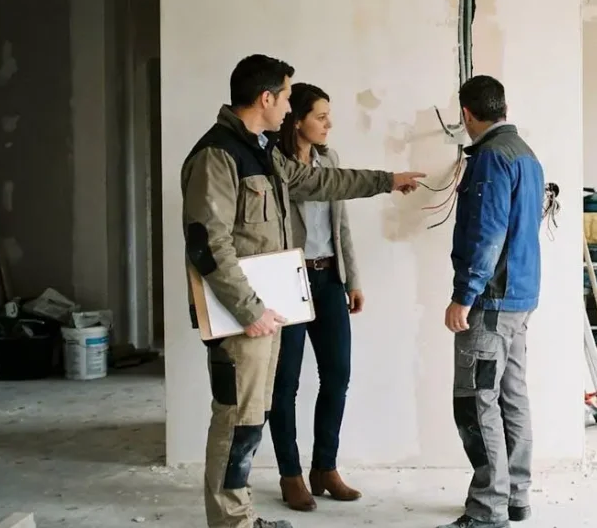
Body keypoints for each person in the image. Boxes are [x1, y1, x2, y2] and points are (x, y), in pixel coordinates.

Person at [181, 54, 425, 528]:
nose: (290, 106)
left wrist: (386, 181)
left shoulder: (261, 151)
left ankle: (243, 516)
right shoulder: (218, 155)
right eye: (289, 97)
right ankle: (231, 521)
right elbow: (208, 246)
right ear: (266, 98)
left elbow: (320, 180)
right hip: (241, 315)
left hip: (266, 309)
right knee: (236, 419)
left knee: (253, 416)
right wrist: (250, 310)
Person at [439, 75, 546, 528]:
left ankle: (487, 509)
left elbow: (488, 233)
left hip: (491, 301)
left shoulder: (489, 158)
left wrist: (464, 296)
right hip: (520, 297)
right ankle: (515, 496)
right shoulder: (526, 154)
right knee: (511, 397)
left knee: (476, 400)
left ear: (467, 114)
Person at [267, 83, 365, 511]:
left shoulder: (331, 160)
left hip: (329, 278)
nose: (329, 123)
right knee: (284, 384)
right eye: (321, 116)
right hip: (287, 280)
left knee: (338, 376)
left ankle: (324, 467)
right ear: (297, 119)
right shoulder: (274, 164)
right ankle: (290, 474)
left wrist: (353, 278)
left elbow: (341, 225)